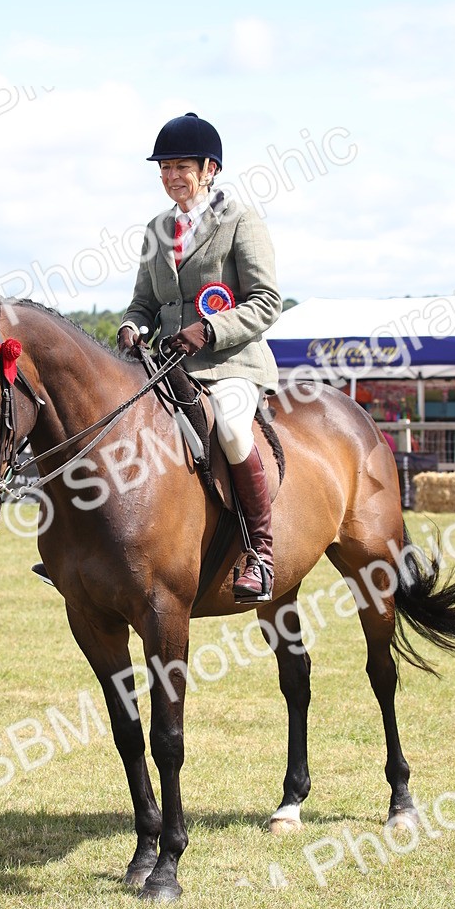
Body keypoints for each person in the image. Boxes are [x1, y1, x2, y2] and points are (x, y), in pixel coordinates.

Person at [119, 111, 282, 602]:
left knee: (231, 428)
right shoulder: (156, 229)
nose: (171, 177)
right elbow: (145, 301)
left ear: (209, 169)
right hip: (167, 365)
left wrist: (209, 328)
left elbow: (267, 300)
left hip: (230, 362)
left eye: (180, 167)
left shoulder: (240, 221)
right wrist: (131, 325)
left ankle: (260, 553)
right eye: (164, 168)